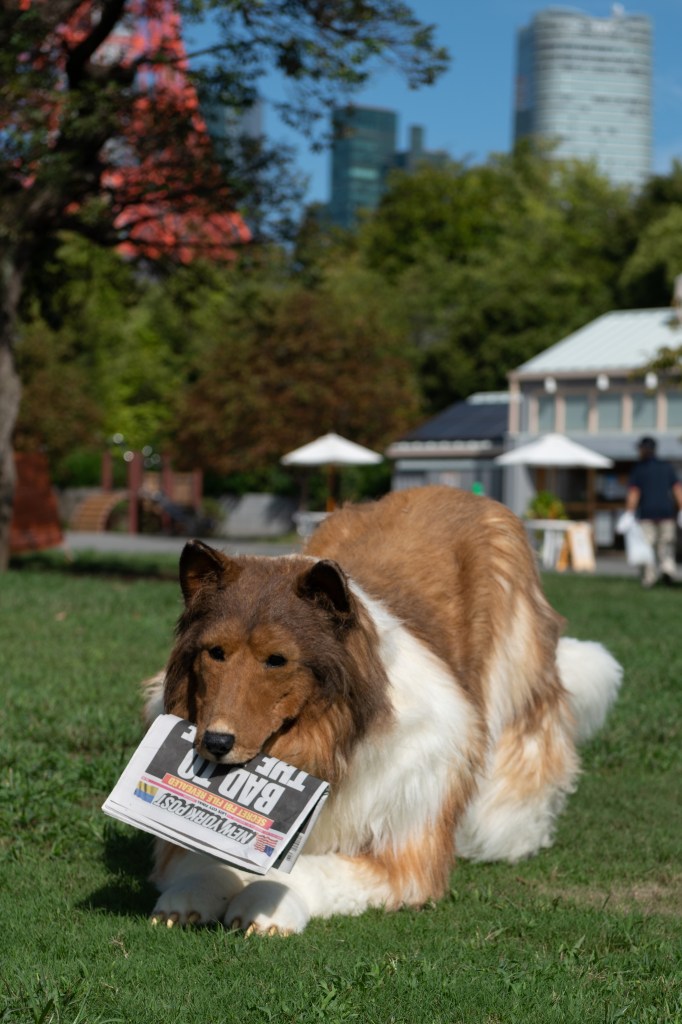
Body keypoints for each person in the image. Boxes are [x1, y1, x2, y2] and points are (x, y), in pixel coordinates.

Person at [617, 436, 682, 587]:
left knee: (647, 547)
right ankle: (667, 568)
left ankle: (649, 577)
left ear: (644, 450)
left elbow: (634, 493)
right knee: (666, 544)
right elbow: (677, 489)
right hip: (667, 514)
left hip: (646, 515)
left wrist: (629, 512)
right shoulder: (666, 467)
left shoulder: (639, 469)